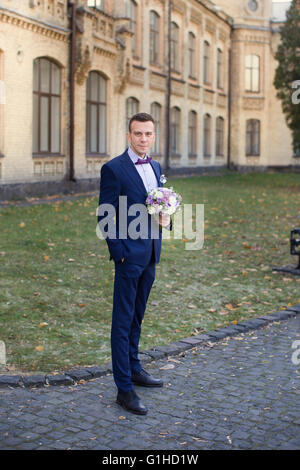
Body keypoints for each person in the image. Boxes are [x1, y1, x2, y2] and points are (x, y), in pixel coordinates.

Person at [97, 112, 171, 415]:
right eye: (138, 134)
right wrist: (119, 252)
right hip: (129, 257)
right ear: (129, 136)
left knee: (137, 317)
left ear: (154, 136)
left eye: (148, 134)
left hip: (151, 253)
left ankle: (134, 368)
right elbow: (105, 215)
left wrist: (166, 219)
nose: (143, 139)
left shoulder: (156, 166)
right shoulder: (114, 169)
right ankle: (124, 390)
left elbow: (159, 204)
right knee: (123, 320)